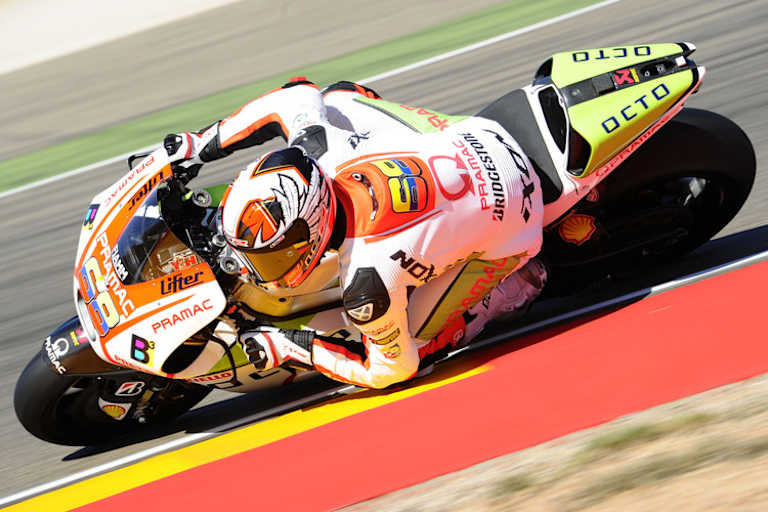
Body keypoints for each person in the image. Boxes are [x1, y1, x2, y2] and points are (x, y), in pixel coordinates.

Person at [164, 78, 546, 389]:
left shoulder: (365, 283)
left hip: (515, 221)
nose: (253, 269)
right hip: (474, 137)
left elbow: (389, 371)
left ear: (311, 229)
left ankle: (504, 293)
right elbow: (298, 93)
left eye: (271, 256)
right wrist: (198, 146)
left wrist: (293, 346)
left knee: (412, 345)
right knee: (337, 97)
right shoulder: (321, 149)